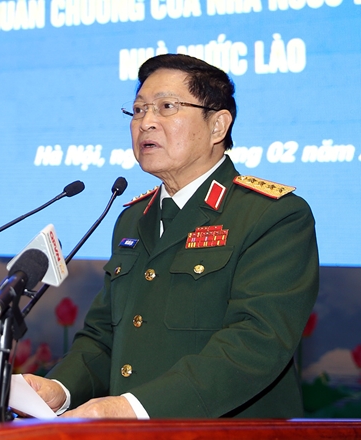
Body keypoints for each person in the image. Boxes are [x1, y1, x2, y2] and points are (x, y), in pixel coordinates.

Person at [24, 53, 319, 418]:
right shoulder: (132, 218)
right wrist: (59, 388)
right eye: (138, 110)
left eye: (166, 107)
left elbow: (256, 343)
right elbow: (104, 337)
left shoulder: (272, 215)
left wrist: (133, 408)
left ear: (218, 126)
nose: (145, 122)